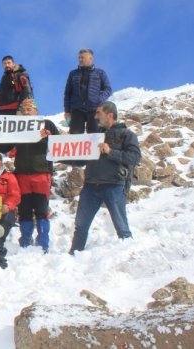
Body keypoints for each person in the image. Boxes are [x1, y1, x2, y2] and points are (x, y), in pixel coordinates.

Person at [69, 102, 141, 254]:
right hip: (90, 186)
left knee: (121, 226)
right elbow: (81, 160)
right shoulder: (95, 136)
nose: (95, 116)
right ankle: (74, 255)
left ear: (110, 115)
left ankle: (130, 256)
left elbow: (134, 158)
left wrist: (110, 152)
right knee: (81, 225)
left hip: (114, 185)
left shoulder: (127, 134)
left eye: (98, 113)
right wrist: (57, 156)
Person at [13, 98, 59, 252]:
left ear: (36, 111)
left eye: (29, 109)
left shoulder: (47, 124)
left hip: (41, 173)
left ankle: (43, 242)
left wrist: (49, 138)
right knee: (24, 209)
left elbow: (60, 144)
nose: (26, 113)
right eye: (24, 110)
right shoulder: (16, 127)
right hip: (21, 174)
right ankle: (25, 241)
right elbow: (4, 143)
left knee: (41, 209)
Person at [64, 49, 112, 134]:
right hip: (77, 110)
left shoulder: (100, 73)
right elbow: (68, 93)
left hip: (94, 109)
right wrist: (67, 111)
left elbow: (108, 89)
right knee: (75, 136)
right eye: (79, 57)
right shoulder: (73, 73)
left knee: (95, 136)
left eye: (82, 57)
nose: (80, 59)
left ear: (91, 58)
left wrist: (98, 99)